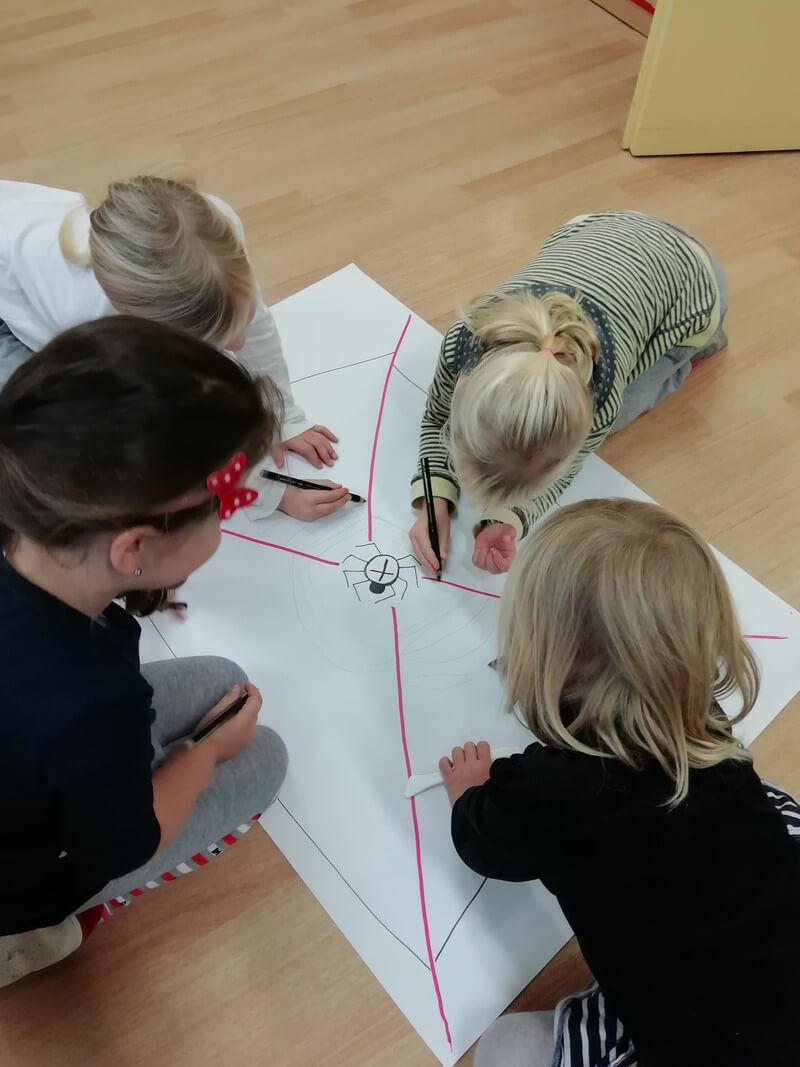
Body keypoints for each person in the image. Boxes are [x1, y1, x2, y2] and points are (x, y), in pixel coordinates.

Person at [439, 499, 800, 1067]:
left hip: (709, 1044)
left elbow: (482, 843)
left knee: (503, 1048)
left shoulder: (547, 789)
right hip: (777, 961)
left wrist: (469, 793)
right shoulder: (700, 716)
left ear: (547, 658)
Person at [0, 317, 289, 986]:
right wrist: (203, 752)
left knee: (222, 678)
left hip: (30, 756)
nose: (229, 516)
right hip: (27, 874)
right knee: (265, 758)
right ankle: (30, 937)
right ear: (131, 547)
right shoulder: (87, 700)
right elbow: (125, 843)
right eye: (226, 505)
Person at [0, 175, 350, 522]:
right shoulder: (93, 328)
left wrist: (282, 414)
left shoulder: (214, 237)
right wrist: (269, 494)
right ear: (148, 335)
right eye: (217, 342)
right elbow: (172, 435)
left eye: (239, 324)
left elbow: (257, 328)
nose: (239, 346)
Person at [409, 212, 727, 575]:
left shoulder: (600, 402)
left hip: (696, 289)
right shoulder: (463, 337)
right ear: (460, 390)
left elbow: (565, 470)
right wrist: (433, 499)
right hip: (599, 227)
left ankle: (692, 352)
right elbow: (436, 419)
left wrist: (507, 518)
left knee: (624, 410)